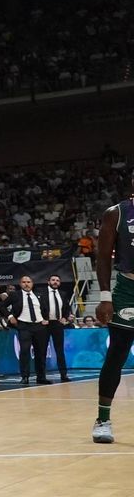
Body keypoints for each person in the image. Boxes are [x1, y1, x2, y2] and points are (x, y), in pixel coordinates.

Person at [93, 178, 134, 443]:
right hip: (127, 290)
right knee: (117, 353)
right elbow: (103, 258)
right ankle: (103, 420)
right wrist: (105, 296)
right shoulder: (117, 213)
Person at [7, 275, 51, 385]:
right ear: (20, 284)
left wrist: (46, 319)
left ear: (32, 283)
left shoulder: (39, 294)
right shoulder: (15, 295)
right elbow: (2, 306)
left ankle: (41, 377)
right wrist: (10, 316)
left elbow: (45, 308)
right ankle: (25, 377)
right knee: (25, 351)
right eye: (24, 282)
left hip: (39, 326)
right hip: (24, 326)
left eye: (28, 282)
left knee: (41, 352)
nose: (26, 284)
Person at [40, 274, 71, 383]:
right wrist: (40, 319)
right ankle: (42, 376)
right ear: (48, 282)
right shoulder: (41, 293)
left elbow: (67, 308)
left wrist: (64, 317)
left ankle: (64, 374)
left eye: (57, 280)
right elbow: (36, 307)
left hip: (57, 324)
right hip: (45, 324)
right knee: (42, 350)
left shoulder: (63, 294)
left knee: (60, 350)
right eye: (53, 280)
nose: (55, 282)